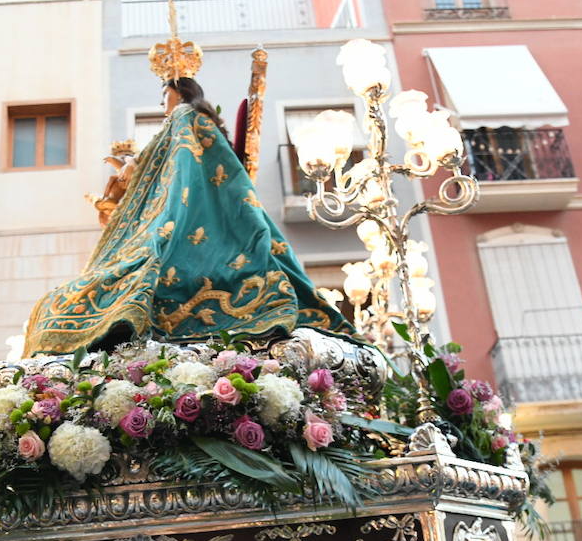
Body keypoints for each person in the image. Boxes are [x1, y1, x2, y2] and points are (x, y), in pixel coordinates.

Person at [21, 24, 351, 355]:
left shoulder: (182, 118)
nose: (163, 103)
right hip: (207, 221)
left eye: (164, 95)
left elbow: (167, 168)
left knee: (93, 289)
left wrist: (131, 171)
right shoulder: (198, 122)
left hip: (184, 225)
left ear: (176, 91)